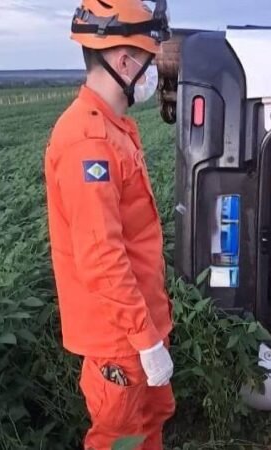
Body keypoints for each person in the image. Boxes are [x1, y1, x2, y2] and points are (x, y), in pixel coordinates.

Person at [43, 1, 174, 448]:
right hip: (120, 338)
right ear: (124, 61)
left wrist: (152, 332)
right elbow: (101, 256)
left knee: (148, 424)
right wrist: (144, 339)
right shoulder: (88, 142)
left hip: (140, 328)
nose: (152, 74)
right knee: (120, 437)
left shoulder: (113, 127)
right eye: (149, 62)